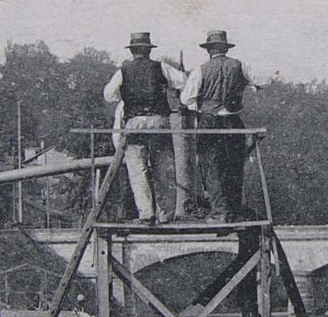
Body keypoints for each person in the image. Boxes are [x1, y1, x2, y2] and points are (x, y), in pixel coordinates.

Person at [103, 32, 187, 224]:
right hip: (159, 121)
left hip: (135, 123)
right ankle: (166, 214)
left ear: (132, 52)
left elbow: (109, 95)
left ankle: (146, 214)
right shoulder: (161, 67)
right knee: (163, 168)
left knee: (138, 169)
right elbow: (183, 81)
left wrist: (124, 96)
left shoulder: (122, 71)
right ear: (149, 51)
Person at [180, 29, 262, 222]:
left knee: (211, 168)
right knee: (234, 168)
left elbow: (185, 99)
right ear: (225, 48)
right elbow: (262, 81)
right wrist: (247, 86)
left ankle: (219, 213)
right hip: (233, 121)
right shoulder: (239, 66)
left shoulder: (201, 70)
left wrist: (200, 100)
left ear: (209, 50)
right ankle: (232, 211)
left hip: (210, 122)